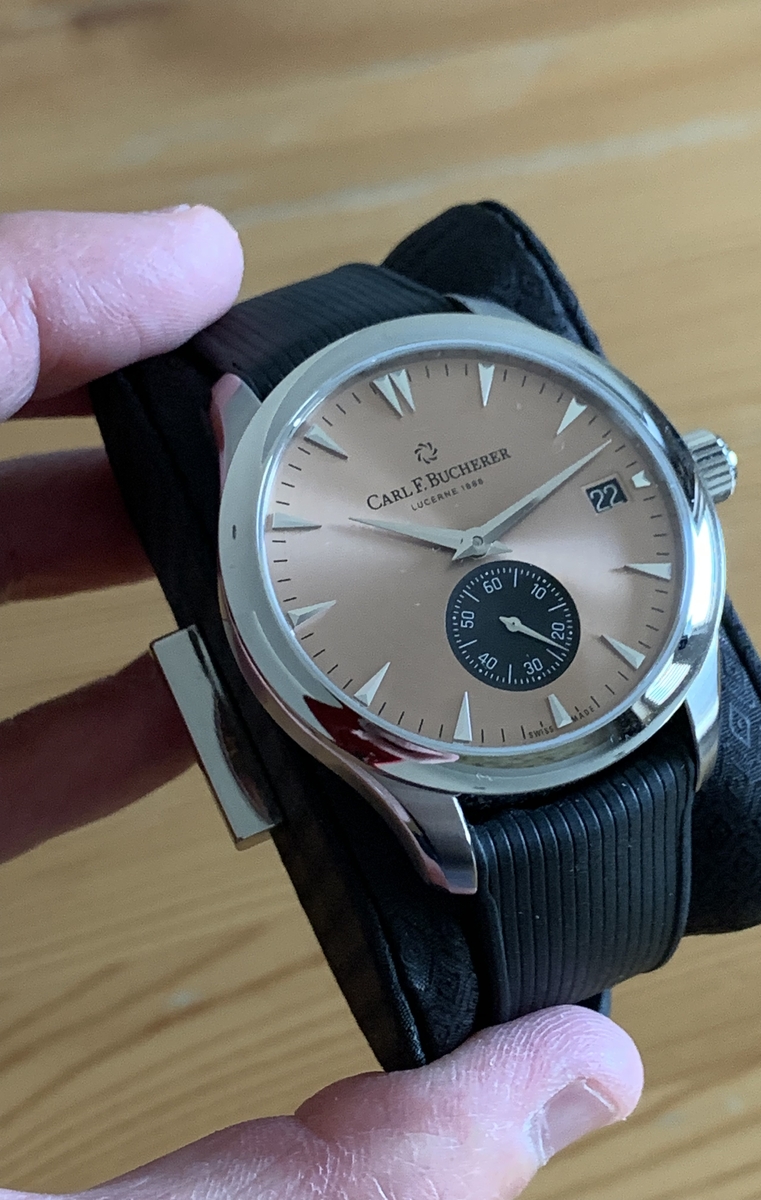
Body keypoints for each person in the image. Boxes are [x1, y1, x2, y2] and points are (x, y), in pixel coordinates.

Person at [0, 207, 643, 1200]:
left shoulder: (489, 344)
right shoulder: (239, 415)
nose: (472, 549)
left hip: (617, 707)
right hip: (438, 780)